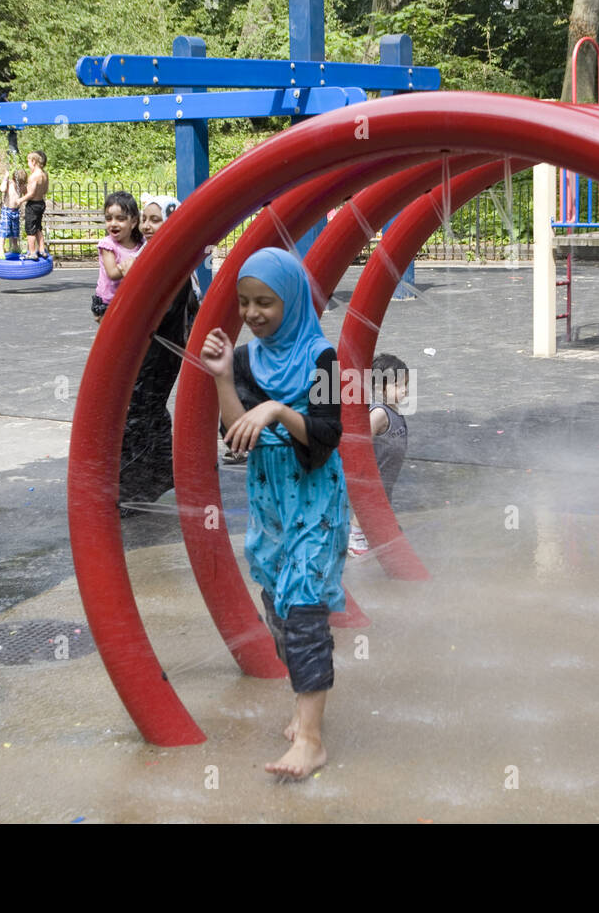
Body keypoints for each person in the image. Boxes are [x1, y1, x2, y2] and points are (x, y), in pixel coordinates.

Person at [199, 247, 349, 778]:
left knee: (304, 603)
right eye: (244, 303)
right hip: (269, 499)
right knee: (280, 611)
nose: (253, 314)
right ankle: (304, 708)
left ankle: (311, 739)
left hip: (313, 495)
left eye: (266, 302)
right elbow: (234, 435)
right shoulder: (244, 360)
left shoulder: (323, 357)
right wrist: (221, 377)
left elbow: (329, 436)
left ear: (292, 300)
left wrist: (279, 410)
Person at [116, 193, 192, 512]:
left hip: (157, 354)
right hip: (148, 352)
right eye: (144, 220)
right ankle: (153, 479)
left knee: (138, 411)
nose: (146, 226)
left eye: (155, 220)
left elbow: (156, 312)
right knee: (146, 411)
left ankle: (134, 488)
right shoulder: (153, 259)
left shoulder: (171, 264)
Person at [348, 353, 410, 557]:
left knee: (381, 500)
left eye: (406, 384)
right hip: (374, 471)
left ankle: (378, 530)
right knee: (367, 503)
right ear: (378, 387)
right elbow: (361, 439)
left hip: (387, 472)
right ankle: (355, 535)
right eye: (399, 385)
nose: (405, 390)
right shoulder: (379, 413)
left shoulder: (394, 410)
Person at [92, 190, 145, 322]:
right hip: (108, 302)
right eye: (108, 218)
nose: (113, 223)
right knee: (110, 339)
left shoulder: (140, 244)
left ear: (133, 222)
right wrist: (125, 267)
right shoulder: (108, 245)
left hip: (129, 300)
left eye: (120, 219)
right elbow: (112, 273)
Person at [16, 150, 49, 260]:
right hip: (41, 204)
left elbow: (31, 194)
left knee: (30, 230)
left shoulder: (34, 176)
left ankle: (32, 252)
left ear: (34, 162)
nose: (28, 165)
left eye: (28, 162)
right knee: (38, 227)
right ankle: (42, 250)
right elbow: (45, 190)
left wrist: (20, 200)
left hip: (33, 205)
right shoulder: (45, 175)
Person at [0, 167, 27, 257]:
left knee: (15, 231)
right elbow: (2, 189)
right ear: (14, 180)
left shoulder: (22, 187)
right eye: (18, 183)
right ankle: (1, 250)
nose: (20, 186)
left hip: (16, 211)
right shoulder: (9, 184)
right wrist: (5, 177)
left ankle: (15, 246)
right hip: (6, 211)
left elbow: (27, 195)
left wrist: (23, 200)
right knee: (4, 230)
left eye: (22, 184)